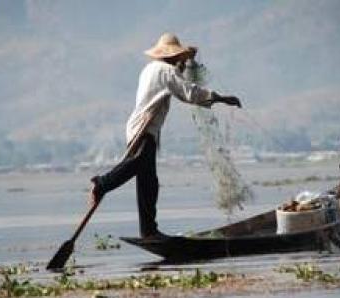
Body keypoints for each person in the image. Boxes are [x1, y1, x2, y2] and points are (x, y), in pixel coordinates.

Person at [89, 33, 242, 239]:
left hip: (141, 127)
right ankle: (102, 184)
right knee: (137, 163)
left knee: (148, 182)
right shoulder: (165, 71)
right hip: (144, 128)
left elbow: (175, 79)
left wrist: (186, 61)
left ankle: (148, 230)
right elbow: (188, 91)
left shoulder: (151, 69)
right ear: (172, 56)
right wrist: (220, 98)